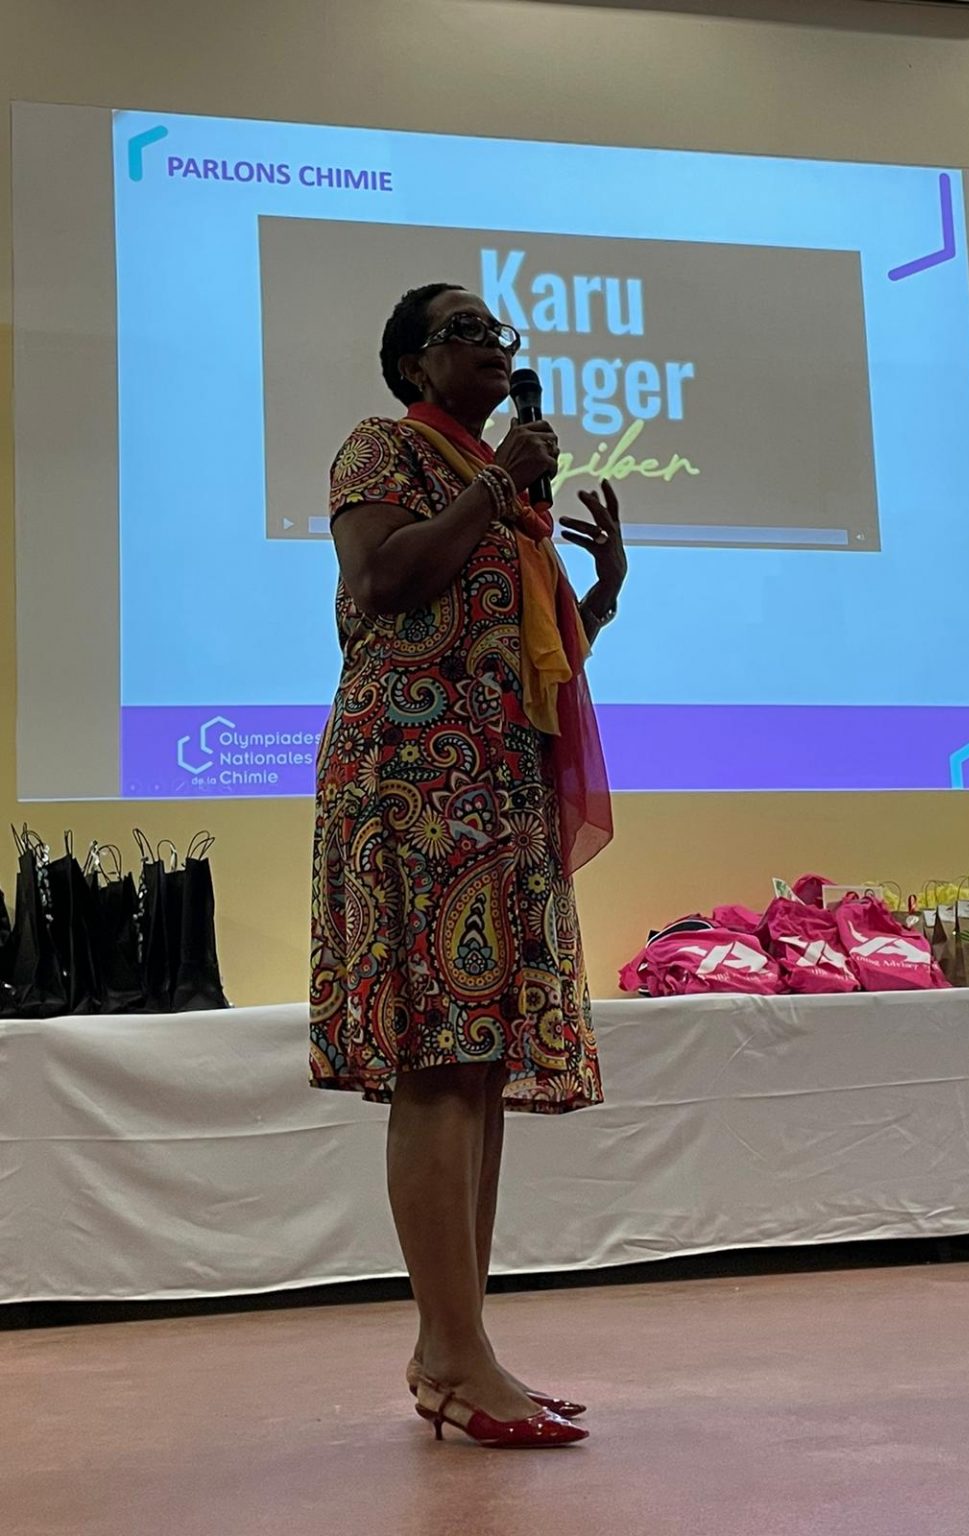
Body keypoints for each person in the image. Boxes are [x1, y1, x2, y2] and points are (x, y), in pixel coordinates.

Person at [309, 283, 625, 1448]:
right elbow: (382, 583)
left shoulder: (506, 494)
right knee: (440, 1064)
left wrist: (601, 594)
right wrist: (497, 490)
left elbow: (517, 650)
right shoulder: (383, 450)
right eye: (466, 332)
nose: (494, 346)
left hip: (499, 791)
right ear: (411, 365)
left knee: (479, 1065)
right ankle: (451, 1353)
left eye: (501, 334)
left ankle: (460, 1348)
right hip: (412, 788)